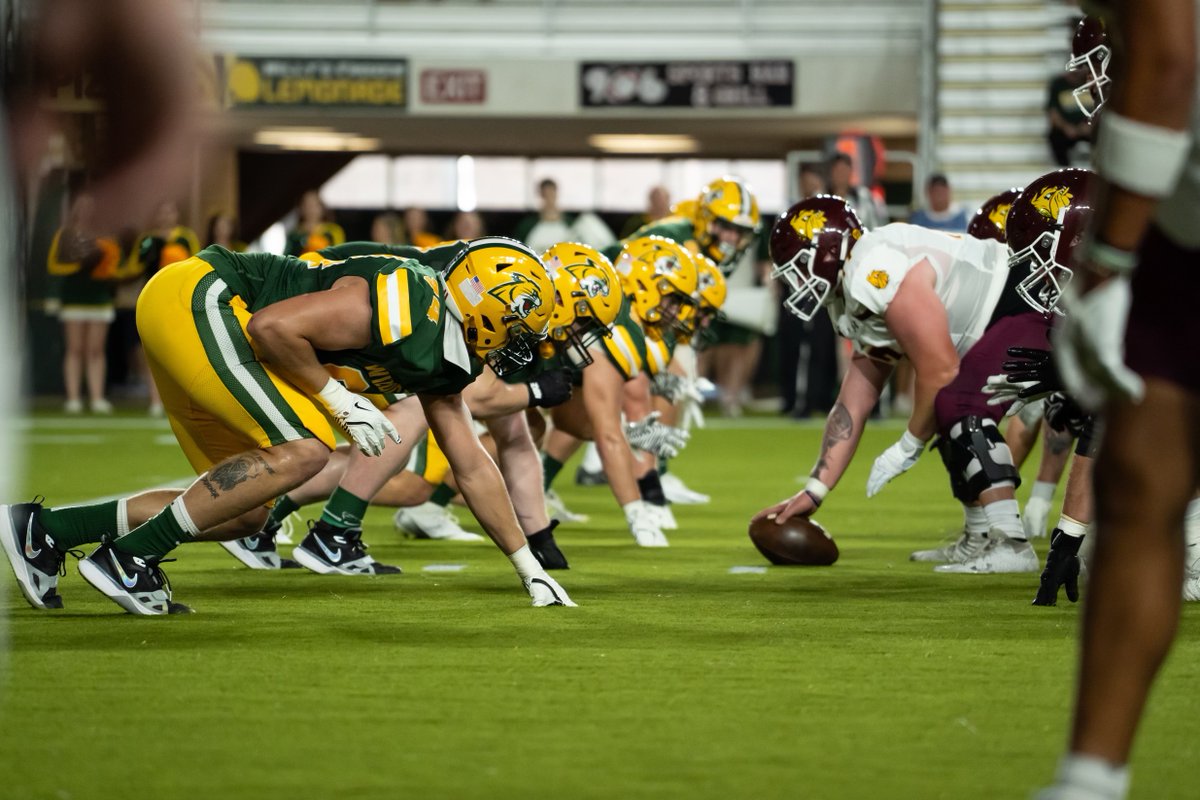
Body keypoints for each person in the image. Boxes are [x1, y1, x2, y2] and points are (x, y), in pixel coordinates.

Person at [0, 238, 575, 613]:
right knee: (305, 451)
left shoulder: (443, 346)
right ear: (482, 301)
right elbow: (273, 328)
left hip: (210, 320)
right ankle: (128, 558)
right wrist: (335, 398)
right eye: (518, 329)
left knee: (241, 509)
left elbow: (472, 465)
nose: (518, 346)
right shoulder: (410, 297)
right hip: (204, 298)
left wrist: (527, 568)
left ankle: (45, 530)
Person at [755, 168, 1094, 575]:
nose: (794, 284)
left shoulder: (870, 267)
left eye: (796, 268)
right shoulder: (851, 294)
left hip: (1024, 303)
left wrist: (907, 445)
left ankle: (1011, 542)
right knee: (947, 414)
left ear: (825, 249)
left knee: (955, 404)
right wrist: (814, 490)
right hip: (997, 319)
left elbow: (940, 368)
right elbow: (853, 403)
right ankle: (980, 536)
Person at [1034, 1, 1198, 794]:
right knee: (1139, 480)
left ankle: (1090, 776)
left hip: (1174, 224)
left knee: (1142, 488)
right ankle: (1089, 779)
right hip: (1184, 212)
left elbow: (1168, 59)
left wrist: (1107, 262)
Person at [46, 193, 122, 414]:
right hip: (74, 299)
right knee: (75, 349)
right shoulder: (65, 234)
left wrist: (105, 271)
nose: (86, 211)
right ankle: (73, 398)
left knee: (96, 350)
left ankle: (97, 398)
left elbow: (114, 266)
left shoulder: (106, 234)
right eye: (82, 206)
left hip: (99, 299)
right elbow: (53, 265)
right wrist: (80, 264)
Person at [827, 152, 888, 229]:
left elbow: (876, 224)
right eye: (837, 170)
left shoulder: (864, 195)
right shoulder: (822, 199)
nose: (841, 174)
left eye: (844, 170)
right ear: (831, 173)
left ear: (850, 172)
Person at [284, 190, 345, 256]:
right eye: (307, 205)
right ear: (301, 208)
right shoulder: (295, 234)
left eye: (315, 205)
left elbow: (340, 254)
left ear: (321, 207)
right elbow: (288, 257)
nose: (311, 209)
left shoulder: (333, 231)